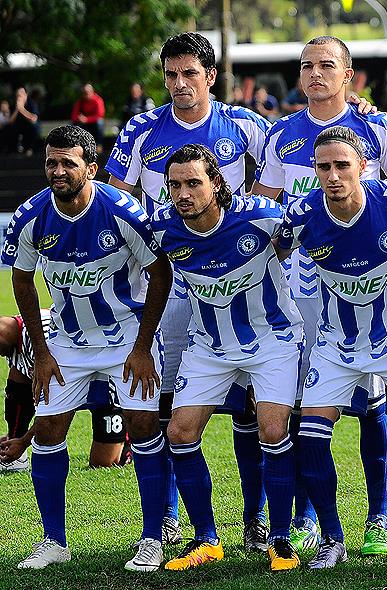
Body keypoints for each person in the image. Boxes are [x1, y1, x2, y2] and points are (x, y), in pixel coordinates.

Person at [106, 31, 274, 552]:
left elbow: (283, 175)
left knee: (251, 407)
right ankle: (169, 519)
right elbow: (115, 199)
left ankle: (255, 519)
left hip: (238, 284)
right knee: (167, 406)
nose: (180, 84)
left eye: (190, 74)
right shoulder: (141, 129)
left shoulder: (245, 124)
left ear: (210, 76)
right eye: (171, 75)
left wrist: (356, 107)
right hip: (170, 285)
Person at [252, 34, 387, 556]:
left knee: (371, 403)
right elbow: (266, 206)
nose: (315, 74)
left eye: (326, 65)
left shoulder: (376, 127)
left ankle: (378, 517)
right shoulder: (280, 135)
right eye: (306, 66)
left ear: (348, 74)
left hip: (366, 292)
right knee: (303, 404)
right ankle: (307, 516)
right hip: (300, 291)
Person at [276, 126, 387, 575]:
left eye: (342, 165)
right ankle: (332, 539)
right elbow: (271, 249)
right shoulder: (302, 213)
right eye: (323, 167)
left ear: (362, 167)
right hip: (336, 342)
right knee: (311, 435)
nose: (333, 176)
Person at [2, 125, 172, 571]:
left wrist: (143, 346)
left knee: (143, 426)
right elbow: (22, 280)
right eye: (51, 163)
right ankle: (53, 541)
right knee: (49, 429)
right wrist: (41, 353)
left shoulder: (123, 212)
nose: (57, 171)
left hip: (127, 339)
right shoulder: (30, 216)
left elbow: (161, 273)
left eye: (68, 163)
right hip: (66, 343)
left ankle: (152, 538)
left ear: (91, 168)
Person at [150, 144, 302, 572]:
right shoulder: (162, 228)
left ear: (216, 183)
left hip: (272, 339)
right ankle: (206, 539)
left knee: (273, 430)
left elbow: (304, 238)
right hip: (209, 345)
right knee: (180, 432)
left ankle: (280, 539)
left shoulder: (261, 216)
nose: (183, 194)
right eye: (174, 185)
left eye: (193, 183)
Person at [0, 310, 130, 472]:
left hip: (106, 389)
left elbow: (52, 413)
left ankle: (129, 442)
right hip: (74, 378)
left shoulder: (45, 343)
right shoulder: (18, 334)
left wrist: (23, 442)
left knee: (103, 464)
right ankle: (13, 443)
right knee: (17, 377)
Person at [6, 86, 39, 156]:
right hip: (18, 127)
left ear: (26, 94)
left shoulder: (31, 103)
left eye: (21, 94)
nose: (19, 97)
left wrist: (22, 109)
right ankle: (12, 150)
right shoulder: (14, 105)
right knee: (10, 128)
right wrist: (17, 109)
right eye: (18, 95)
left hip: (28, 126)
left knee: (33, 128)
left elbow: (33, 119)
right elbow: (10, 121)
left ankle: (30, 149)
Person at [71, 83, 106, 148]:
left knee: (100, 122)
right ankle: (75, 145)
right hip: (83, 122)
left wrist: (87, 119)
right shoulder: (80, 101)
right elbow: (74, 116)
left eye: (88, 92)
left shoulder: (98, 100)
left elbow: (100, 115)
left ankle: (99, 145)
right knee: (73, 125)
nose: (86, 94)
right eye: (84, 92)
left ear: (92, 91)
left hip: (93, 122)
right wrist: (79, 118)